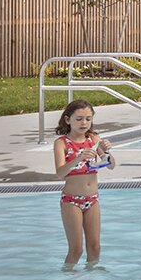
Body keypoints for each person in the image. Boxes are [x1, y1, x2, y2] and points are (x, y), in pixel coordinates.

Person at [54, 99, 113, 265]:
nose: (84, 123)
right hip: (72, 201)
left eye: (88, 118)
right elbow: (60, 173)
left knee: (95, 247)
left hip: (92, 199)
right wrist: (78, 158)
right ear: (68, 120)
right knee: (77, 250)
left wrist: (105, 151)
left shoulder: (93, 139)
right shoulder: (62, 143)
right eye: (79, 119)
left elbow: (111, 166)